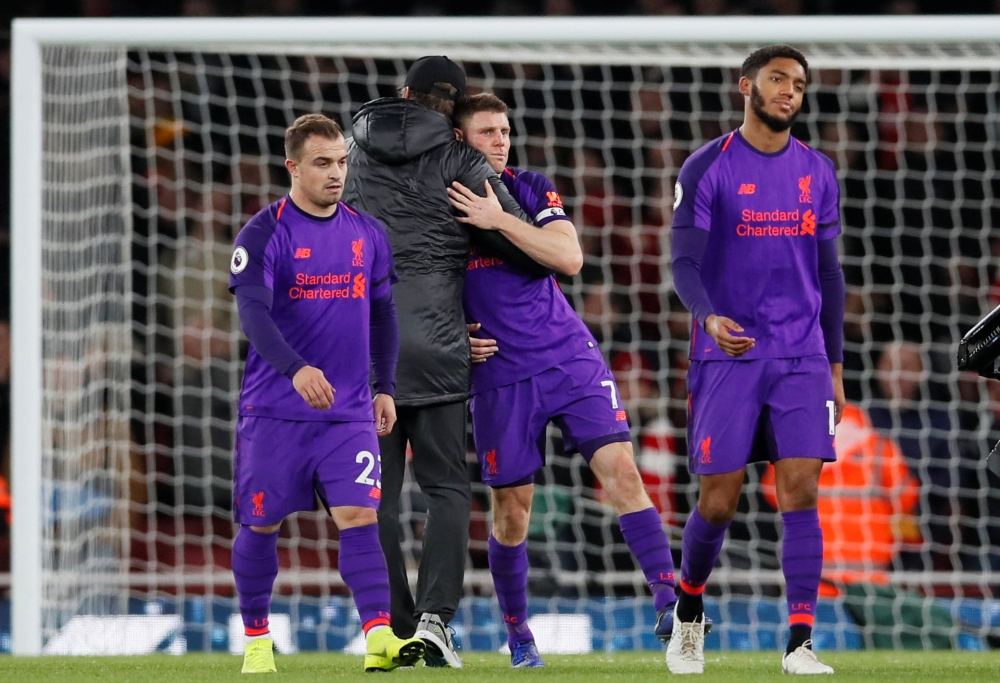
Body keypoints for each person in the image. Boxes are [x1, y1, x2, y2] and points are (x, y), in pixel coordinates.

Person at [447, 93, 680, 668]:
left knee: (623, 473)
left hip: (567, 356)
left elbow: (570, 257)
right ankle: (519, 634)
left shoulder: (528, 186)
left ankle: (671, 604)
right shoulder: (437, 209)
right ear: (458, 140)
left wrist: (498, 218)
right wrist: (453, 337)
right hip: (498, 371)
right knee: (512, 512)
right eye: (486, 132)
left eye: (505, 131)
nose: (501, 141)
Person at [343, 56, 541, 668]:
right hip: (437, 346)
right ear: (453, 110)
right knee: (448, 488)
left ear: (404, 94)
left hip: (363, 350)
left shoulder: (350, 154)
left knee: (375, 495)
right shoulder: (462, 162)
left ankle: (393, 627)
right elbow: (526, 253)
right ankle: (435, 623)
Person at [668, 45, 845, 675]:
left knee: (800, 491)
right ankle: (688, 612)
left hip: (802, 354)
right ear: (747, 86)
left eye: (798, 83)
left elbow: (829, 271)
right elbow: (684, 261)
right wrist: (710, 318)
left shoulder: (818, 171)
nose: (789, 92)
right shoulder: (707, 166)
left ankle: (799, 642)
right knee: (718, 502)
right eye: (777, 80)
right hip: (728, 354)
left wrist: (836, 364)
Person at [228, 114, 424, 674]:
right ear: (293, 167)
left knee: (361, 518)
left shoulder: (367, 234)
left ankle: (380, 636)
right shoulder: (264, 233)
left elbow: (384, 315)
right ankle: (259, 640)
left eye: (341, 161)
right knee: (261, 524)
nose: (336, 173)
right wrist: (295, 370)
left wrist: (385, 386)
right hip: (275, 413)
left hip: (348, 413)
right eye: (322, 163)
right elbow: (253, 315)